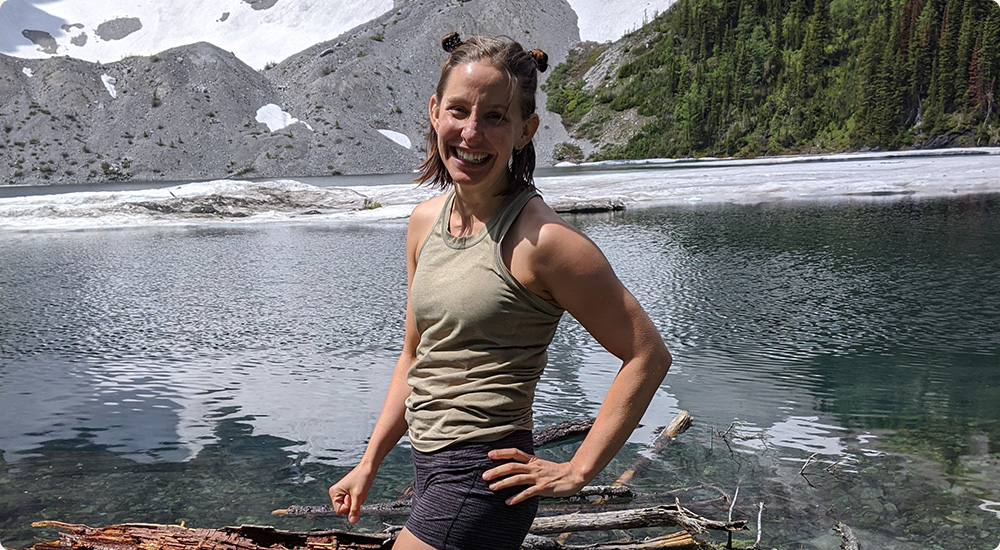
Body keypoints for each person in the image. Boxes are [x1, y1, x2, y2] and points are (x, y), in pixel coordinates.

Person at [328, 32, 672, 550]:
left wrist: (579, 470)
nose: (471, 133)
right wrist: (369, 463)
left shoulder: (547, 243)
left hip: (485, 476)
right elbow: (415, 356)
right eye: (459, 111)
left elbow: (647, 355)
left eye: (495, 117)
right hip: (430, 468)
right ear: (434, 112)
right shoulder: (425, 222)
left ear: (526, 129)